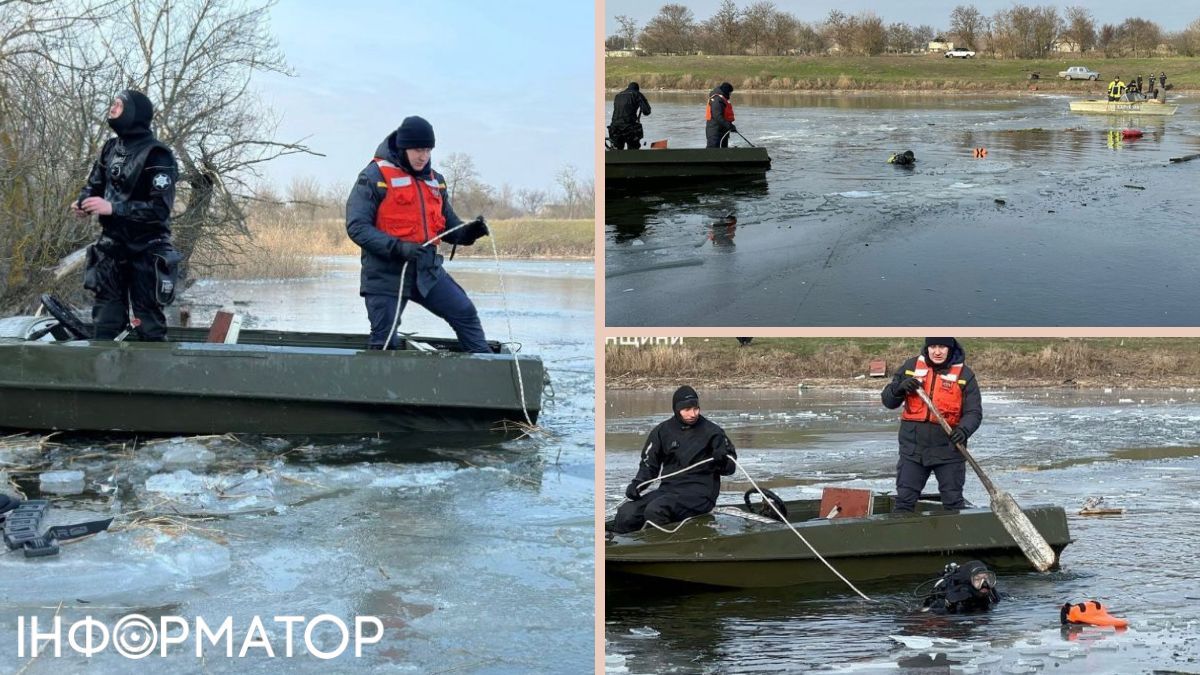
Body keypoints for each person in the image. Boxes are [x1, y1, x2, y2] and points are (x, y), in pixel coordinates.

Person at [345, 116, 491, 351]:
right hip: (385, 275)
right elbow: (357, 227)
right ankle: (382, 385)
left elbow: (447, 227)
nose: (423, 156)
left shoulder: (436, 181)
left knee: (465, 313)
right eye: (417, 150)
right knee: (385, 342)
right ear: (403, 147)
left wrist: (469, 232)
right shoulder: (374, 177)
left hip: (427, 271)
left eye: (427, 150)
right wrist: (398, 247)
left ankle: (488, 372)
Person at [72, 89, 180, 341]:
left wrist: (114, 208)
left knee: (148, 321)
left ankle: (151, 378)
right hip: (111, 247)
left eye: (119, 105)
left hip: (148, 248)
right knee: (105, 320)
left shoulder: (158, 154)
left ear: (134, 113)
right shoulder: (110, 148)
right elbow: (93, 186)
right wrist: (82, 204)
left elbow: (159, 210)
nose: (112, 108)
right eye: (113, 104)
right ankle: (103, 377)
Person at [608, 386, 737, 534]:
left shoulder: (713, 432)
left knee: (656, 510)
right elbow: (649, 465)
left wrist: (722, 460)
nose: (693, 414)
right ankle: (621, 547)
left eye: (695, 408)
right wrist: (638, 484)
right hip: (669, 490)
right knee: (627, 513)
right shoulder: (662, 431)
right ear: (676, 409)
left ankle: (660, 548)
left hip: (700, 493)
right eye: (687, 409)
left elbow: (730, 467)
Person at [881, 338, 982, 513]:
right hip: (913, 450)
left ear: (949, 349)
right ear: (927, 348)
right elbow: (888, 401)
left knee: (953, 502)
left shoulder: (965, 375)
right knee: (904, 501)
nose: (937, 352)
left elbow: (974, 413)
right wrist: (899, 388)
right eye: (933, 346)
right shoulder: (911, 367)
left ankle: (955, 538)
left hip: (949, 449)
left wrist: (964, 430)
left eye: (942, 347)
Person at [608, 82, 651, 150]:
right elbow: (646, 112)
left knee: (616, 150)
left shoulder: (618, 95)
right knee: (633, 150)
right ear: (637, 89)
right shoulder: (637, 94)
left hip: (614, 128)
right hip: (629, 128)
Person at [705, 82, 737, 148]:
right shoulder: (716, 100)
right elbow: (717, 116)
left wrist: (730, 126)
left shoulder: (722, 99)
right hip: (715, 132)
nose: (730, 95)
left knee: (723, 152)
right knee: (713, 152)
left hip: (723, 131)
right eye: (730, 93)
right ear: (726, 91)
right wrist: (729, 125)